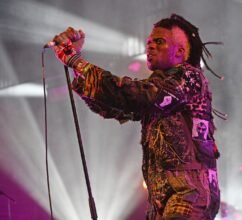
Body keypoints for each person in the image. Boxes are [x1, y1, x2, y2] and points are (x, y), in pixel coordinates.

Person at [50, 14, 221, 219]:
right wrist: (78, 70)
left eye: (159, 42)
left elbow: (136, 95)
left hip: (190, 196)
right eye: (149, 42)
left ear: (180, 52)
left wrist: (76, 61)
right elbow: (115, 107)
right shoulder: (159, 86)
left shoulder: (190, 77)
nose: (150, 47)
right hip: (164, 202)